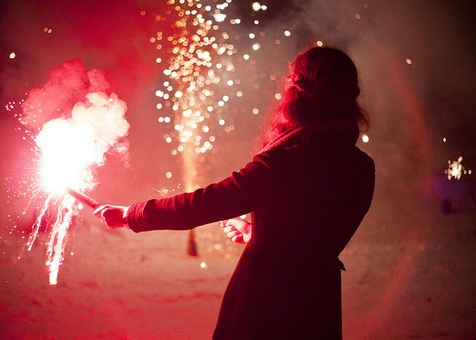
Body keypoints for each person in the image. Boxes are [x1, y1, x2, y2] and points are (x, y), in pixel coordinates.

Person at [94, 46, 375, 339]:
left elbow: (206, 204)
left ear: (301, 91)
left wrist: (132, 215)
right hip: (318, 303)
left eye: (291, 80)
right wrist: (259, 234)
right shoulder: (362, 168)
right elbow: (310, 238)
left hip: (266, 303)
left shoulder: (288, 159)